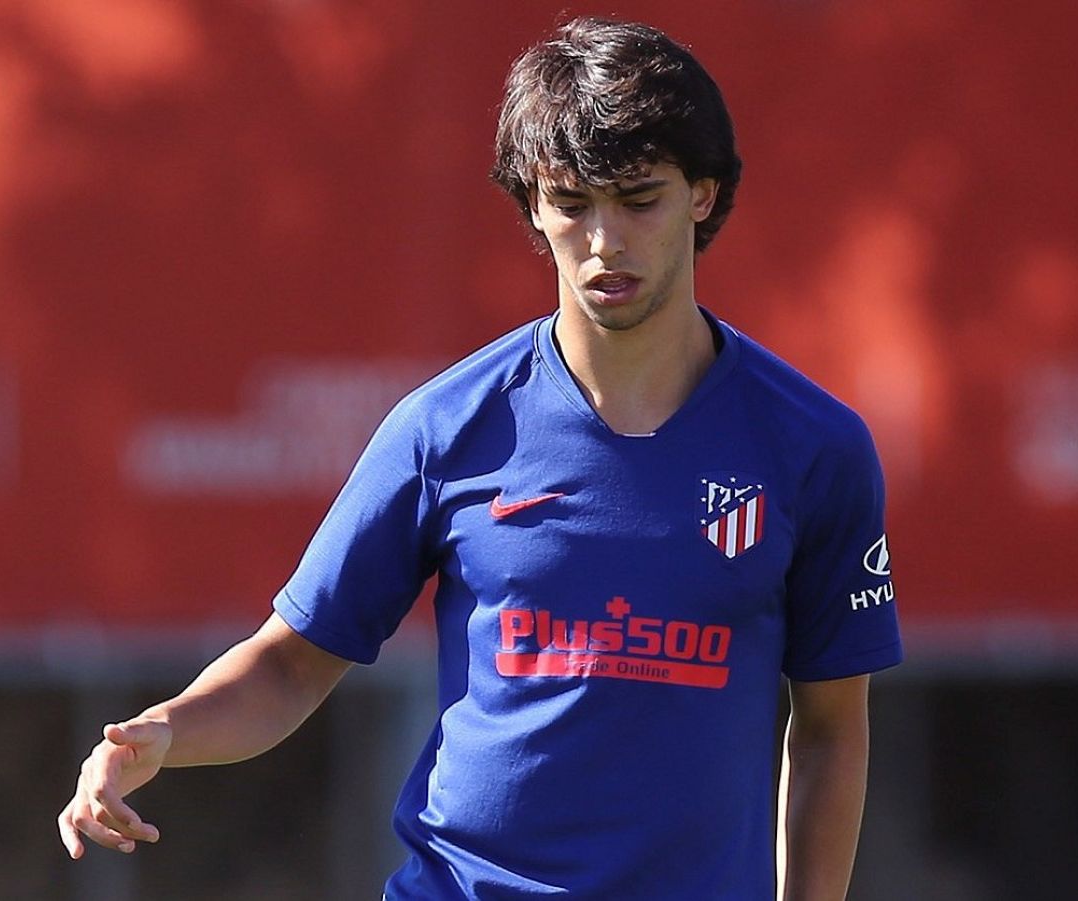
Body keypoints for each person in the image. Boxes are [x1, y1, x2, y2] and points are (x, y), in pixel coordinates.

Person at [58, 17, 902, 900]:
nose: (604, 241)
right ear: (533, 204)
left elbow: (832, 728)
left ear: (703, 191)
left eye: (638, 198)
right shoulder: (445, 426)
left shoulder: (814, 448)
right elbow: (289, 663)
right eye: (572, 202)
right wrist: (160, 729)